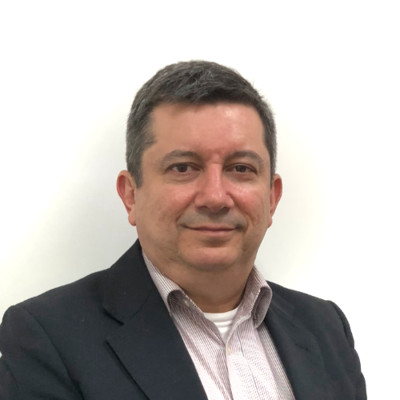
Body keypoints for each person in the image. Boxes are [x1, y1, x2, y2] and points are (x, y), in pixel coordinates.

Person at [0, 61, 367, 399]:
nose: (215, 197)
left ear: (272, 198)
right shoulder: (47, 338)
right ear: (131, 195)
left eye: (241, 168)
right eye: (183, 168)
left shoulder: (326, 328)